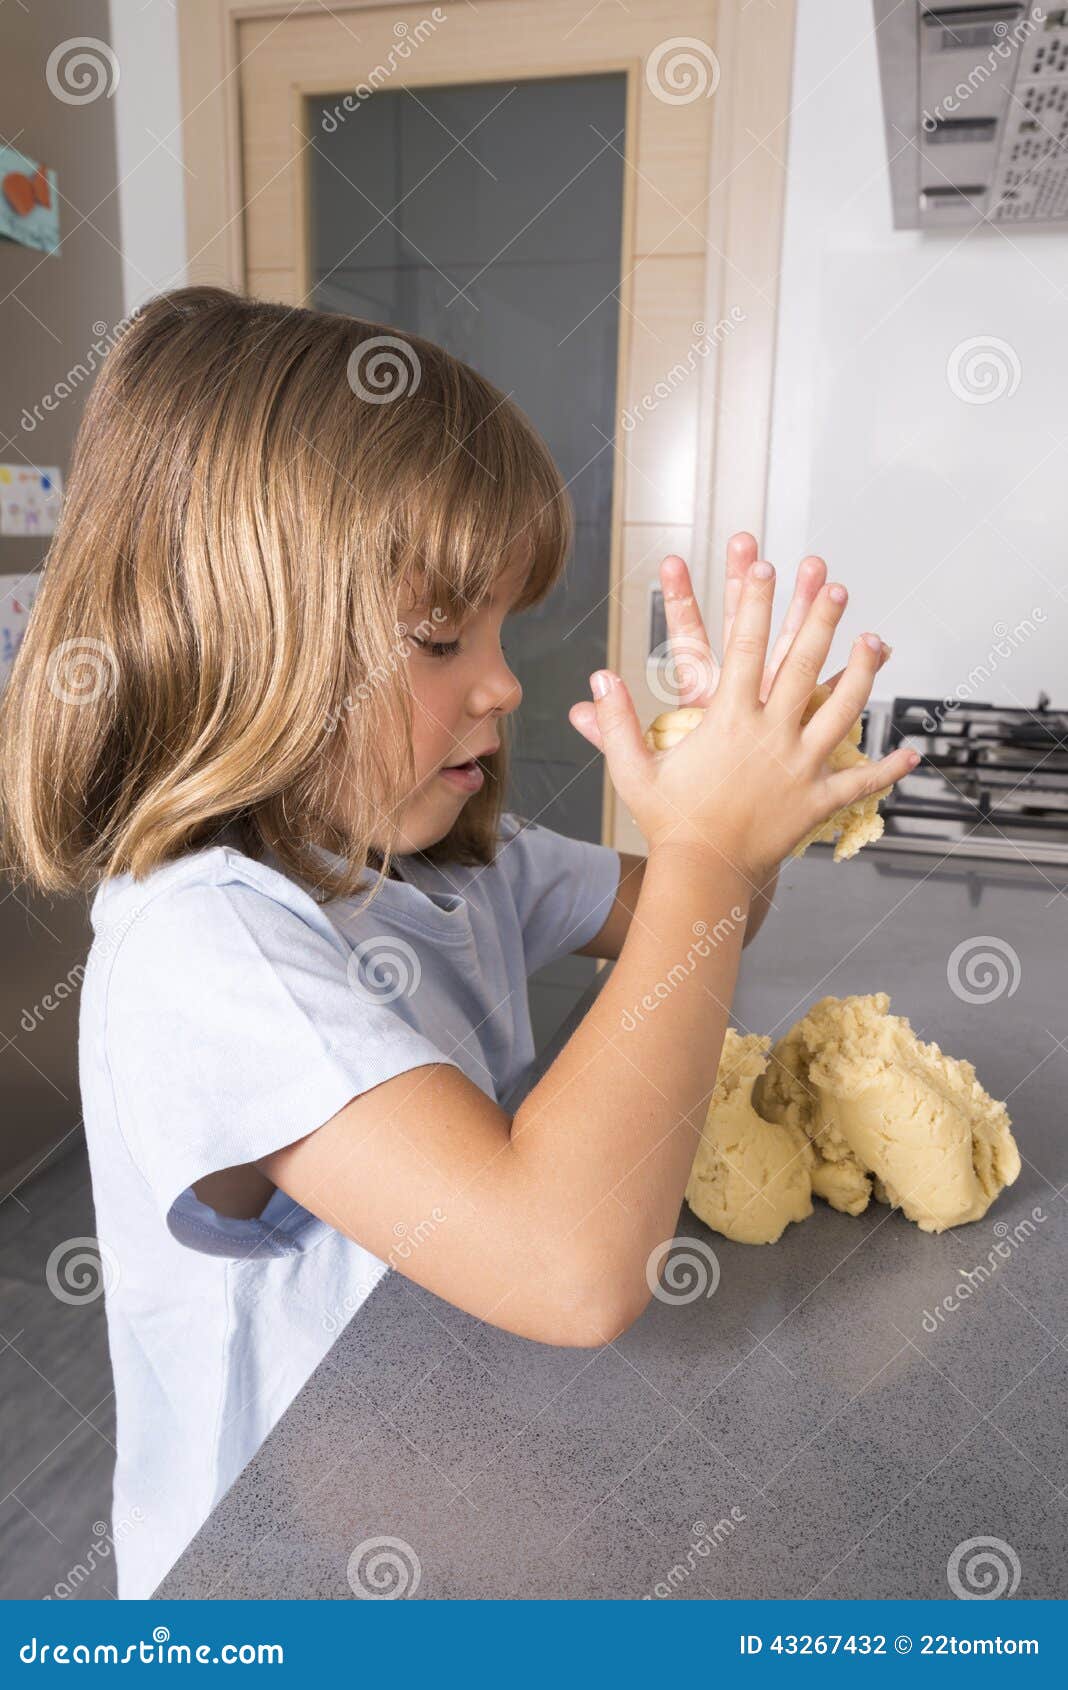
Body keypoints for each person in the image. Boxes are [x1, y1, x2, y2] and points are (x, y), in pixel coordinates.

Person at [0, 286, 918, 1598]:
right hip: (277, 1583)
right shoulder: (204, 949)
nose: (502, 682)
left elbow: (703, 921)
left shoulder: (445, 858)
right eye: (441, 638)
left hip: (451, 1481)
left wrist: (737, 808)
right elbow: (568, 1266)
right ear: (240, 648)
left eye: (501, 629)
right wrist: (709, 850)